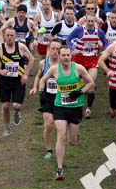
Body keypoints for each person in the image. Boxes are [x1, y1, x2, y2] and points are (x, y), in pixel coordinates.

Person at [38, 44, 94, 180]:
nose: (66, 57)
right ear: (59, 56)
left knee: (72, 141)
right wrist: (41, 92)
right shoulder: (54, 69)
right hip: (60, 106)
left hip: (75, 107)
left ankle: (74, 136)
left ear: (71, 56)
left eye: (68, 55)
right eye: (63, 55)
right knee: (61, 136)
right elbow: (42, 79)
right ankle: (59, 169)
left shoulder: (78, 68)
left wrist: (80, 92)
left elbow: (91, 83)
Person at [0, 27, 35, 137]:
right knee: (5, 106)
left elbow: (32, 59)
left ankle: (16, 113)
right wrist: (0, 71)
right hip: (4, 81)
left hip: (18, 81)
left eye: (11, 36)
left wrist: (25, 74)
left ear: (15, 37)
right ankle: (6, 127)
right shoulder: (0, 48)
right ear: (4, 36)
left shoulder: (21, 47)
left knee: (16, 106)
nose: (9, 38)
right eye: (7, 35)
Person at [30, 40, 62, 160]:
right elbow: (39, 76)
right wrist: (34, 88)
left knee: (60, 126)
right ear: (48, 49)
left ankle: (60, 146)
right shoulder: (43, 63)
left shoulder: (65, 63)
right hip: (47, 96)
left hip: (61, 97)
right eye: (52, 48)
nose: (55, 51)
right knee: (48, 124)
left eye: (57, 49)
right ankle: (48, 149)